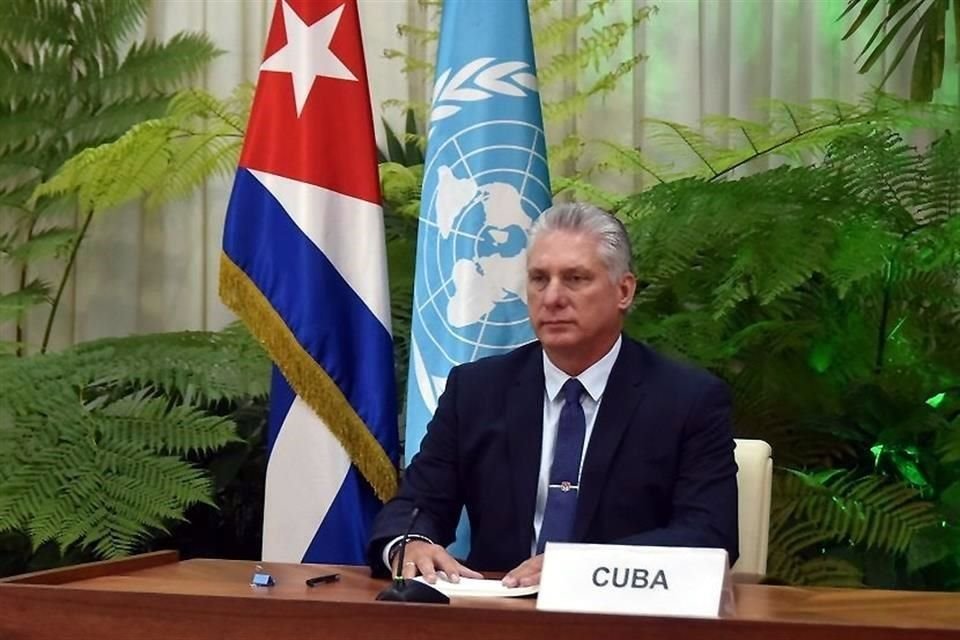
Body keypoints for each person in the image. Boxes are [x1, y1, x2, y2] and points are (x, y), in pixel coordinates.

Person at [367, 202, 738, 588]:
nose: (552, 297)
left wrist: (580, 568)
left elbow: (709, 536)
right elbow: (415, 505)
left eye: (575, 279)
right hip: (497, 620)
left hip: (624, 620)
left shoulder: (687, 399)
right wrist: (407, 544)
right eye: (539, 279)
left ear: (624, 290)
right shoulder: (476, 391)